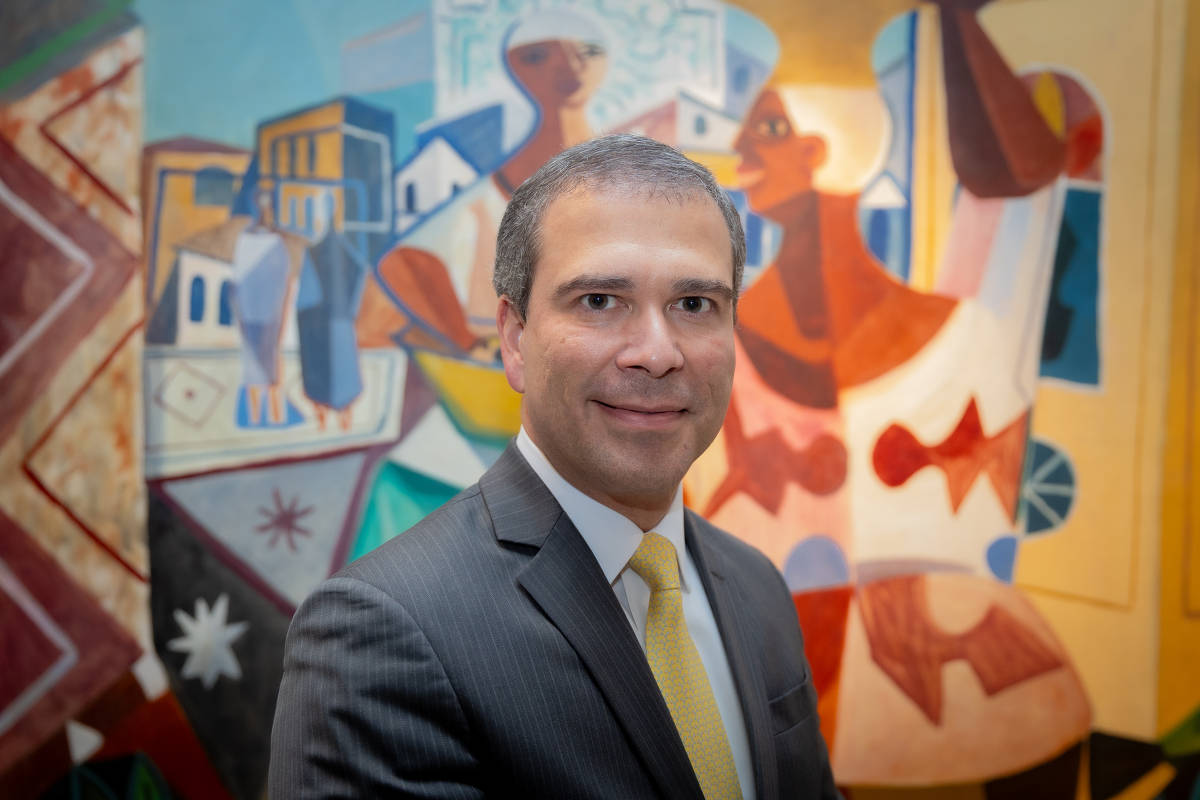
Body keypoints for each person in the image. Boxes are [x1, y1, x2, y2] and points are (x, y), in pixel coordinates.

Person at [268, 134, 838, 799]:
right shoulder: (382, 630)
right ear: (515, 339)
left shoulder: (756, 586)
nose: (657, 353)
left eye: (694, 305)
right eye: (599, 300)